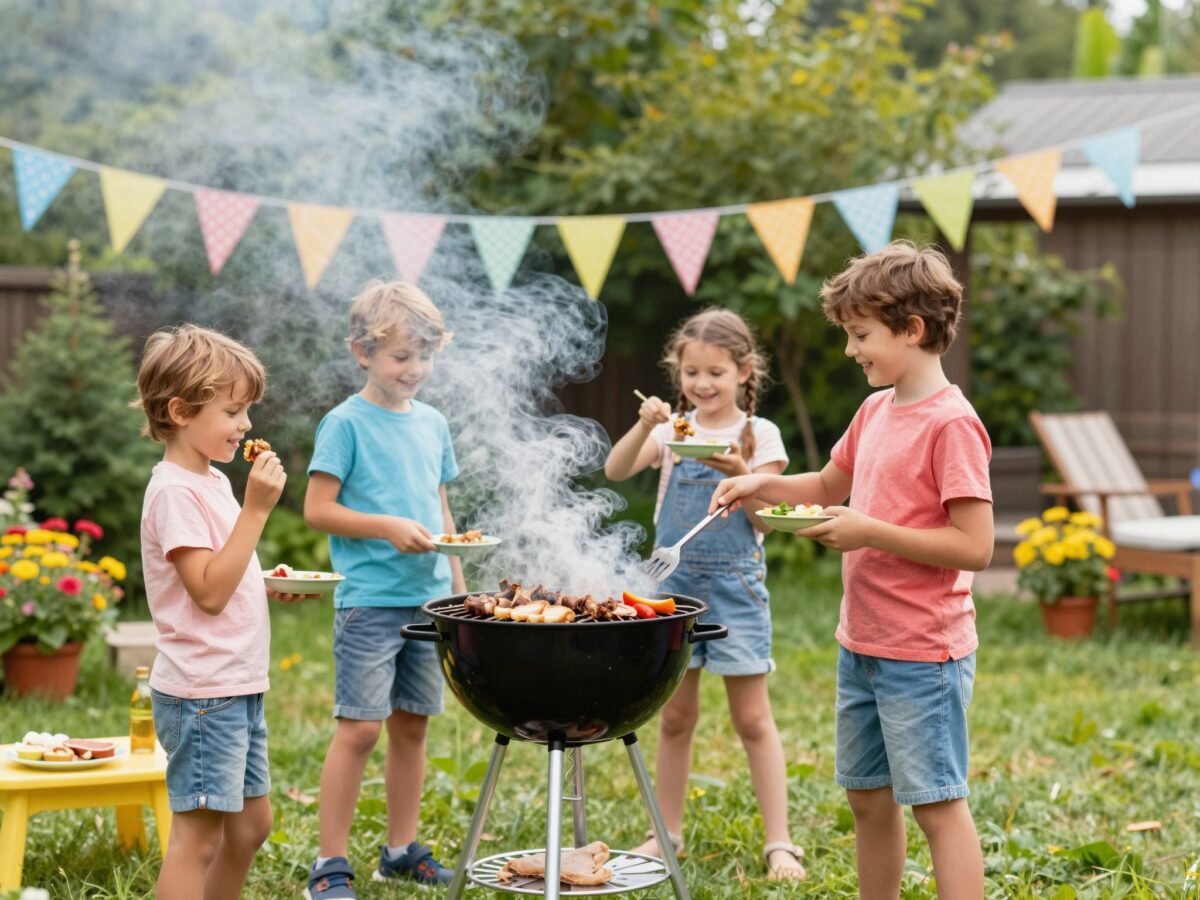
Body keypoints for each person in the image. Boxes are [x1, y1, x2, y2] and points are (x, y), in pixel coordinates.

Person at [711, 241, 994, 899]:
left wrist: (868, 531)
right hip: (861, 643)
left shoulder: (952, 425)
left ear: (912, 329)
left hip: (923, 653)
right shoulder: (874, 411)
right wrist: (756, 482)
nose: (850, 350)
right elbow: (825, 484)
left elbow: (975, 546)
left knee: (936, 805)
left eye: (861, 335)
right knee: (868, 797)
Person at [605, 307, 806, 882]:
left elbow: (766, 523)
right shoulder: (673, 431)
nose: (702, 384)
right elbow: (616, 470)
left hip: (736, 586)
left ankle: (780, 843)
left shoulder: (760, 436)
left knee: (752, 719)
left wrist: (742, 469)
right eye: (691, 372)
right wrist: (644, 426)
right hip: (672, 584)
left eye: (715, 372)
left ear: (744, 371)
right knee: (675, 716)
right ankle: (664, 833)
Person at [304, 280, 465, 899]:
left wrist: (458, 592)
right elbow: (318, 509)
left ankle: (400, 851)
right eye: (401, 356)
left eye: (425, 355)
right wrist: (386, 527)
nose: (415, 368)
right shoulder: (344, 423)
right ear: (362, 352)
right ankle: (329, 864)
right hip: (370, 601)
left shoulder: (433, 423)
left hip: (427, 601)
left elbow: (442, 510)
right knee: (361, 729)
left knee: (413, 726)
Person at [137, 325, 310, 900]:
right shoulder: (174, 492)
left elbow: (222, 571)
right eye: (233, 411)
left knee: (252, 826)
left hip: (234, 684)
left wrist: (265, 583)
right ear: (181, 411)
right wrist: (257, 511)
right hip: (203, 693)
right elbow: (207, 593)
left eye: (247, 411)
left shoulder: (210, 480)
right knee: (198, 840)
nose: (246, 424)